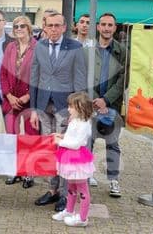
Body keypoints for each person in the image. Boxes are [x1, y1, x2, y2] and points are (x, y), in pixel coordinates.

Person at [29, 11, 87, 212]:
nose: (53, 29)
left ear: (64, 27)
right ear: (45, 27)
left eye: (57, 25)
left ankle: (66, 194)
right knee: (50, 149)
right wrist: (34, 109)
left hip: (66, 107)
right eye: (50, 25)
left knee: (65, 150)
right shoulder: (40, 46)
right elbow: (34, 78)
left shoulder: (75, 47)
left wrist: (76, 112)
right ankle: (52, 189)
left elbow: (80, 80)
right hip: (44, 106)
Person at [88, 13, 127, 197]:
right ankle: (87, 174)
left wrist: (106, 100)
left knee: (112, 143)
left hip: (111, 106)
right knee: (88, 141)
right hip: (90, 105)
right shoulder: (88, 49)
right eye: (103, 24)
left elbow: (123, 79)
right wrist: (95, 100)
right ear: (98, 27)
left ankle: (113, 180)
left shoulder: (122, 51)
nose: (106, 28)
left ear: (115, 28)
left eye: (110, 25)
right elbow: (82, 75)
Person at [0, 15, 38, 188]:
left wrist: (28, 96)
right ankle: (15, 170)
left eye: (22, 26)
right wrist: (8, 95)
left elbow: (40, 75)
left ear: (29, 28)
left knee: (30, 137)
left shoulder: (38, 47)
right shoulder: (10, 47)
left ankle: (29, 173)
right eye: (16, 26)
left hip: (29, 100)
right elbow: (3, 73)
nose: (19, 29)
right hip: (11, 100)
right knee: (11, 136)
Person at [51, 92, 96, 227]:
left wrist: (60, 142)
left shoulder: (84, 124)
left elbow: (76, 144)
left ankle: (82, 218)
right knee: (71, 186)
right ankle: (69, 211)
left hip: (78, 159)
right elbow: (71, 136)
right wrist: (62, 136)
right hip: (70, 157)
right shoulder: (75, 120)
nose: (68, 109)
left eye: (71, 107)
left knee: (82, 189)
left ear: (80, 108)